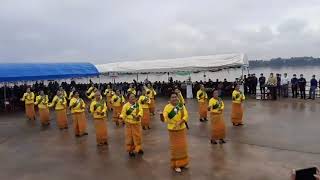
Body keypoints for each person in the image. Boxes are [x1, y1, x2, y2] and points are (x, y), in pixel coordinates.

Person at [162, 92, 189, 173]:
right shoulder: (167, 107)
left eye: (175, 97)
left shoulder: (181, 105)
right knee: (175, 148)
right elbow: (165, 118)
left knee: (182, 146)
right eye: (172, 97)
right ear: (170, 99)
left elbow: (186, 115)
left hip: (181, 128)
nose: (174, 98)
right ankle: (176, 165)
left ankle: (183, 163)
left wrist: (180, 122)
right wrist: (161, 116)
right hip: (172, 129)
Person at [120, 93, 144, 157]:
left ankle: (138, 148)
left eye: (134, 96)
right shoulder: (125, 106)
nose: (133, 98)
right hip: (129, 124)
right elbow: (123, 114)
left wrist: (138, 116)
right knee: (130, 138)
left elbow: (141, 111)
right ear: (128, 98)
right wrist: (121, 117)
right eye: (131, 97)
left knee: (137, 137)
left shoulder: (138, 105)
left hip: (137, 123)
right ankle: (130, 150)